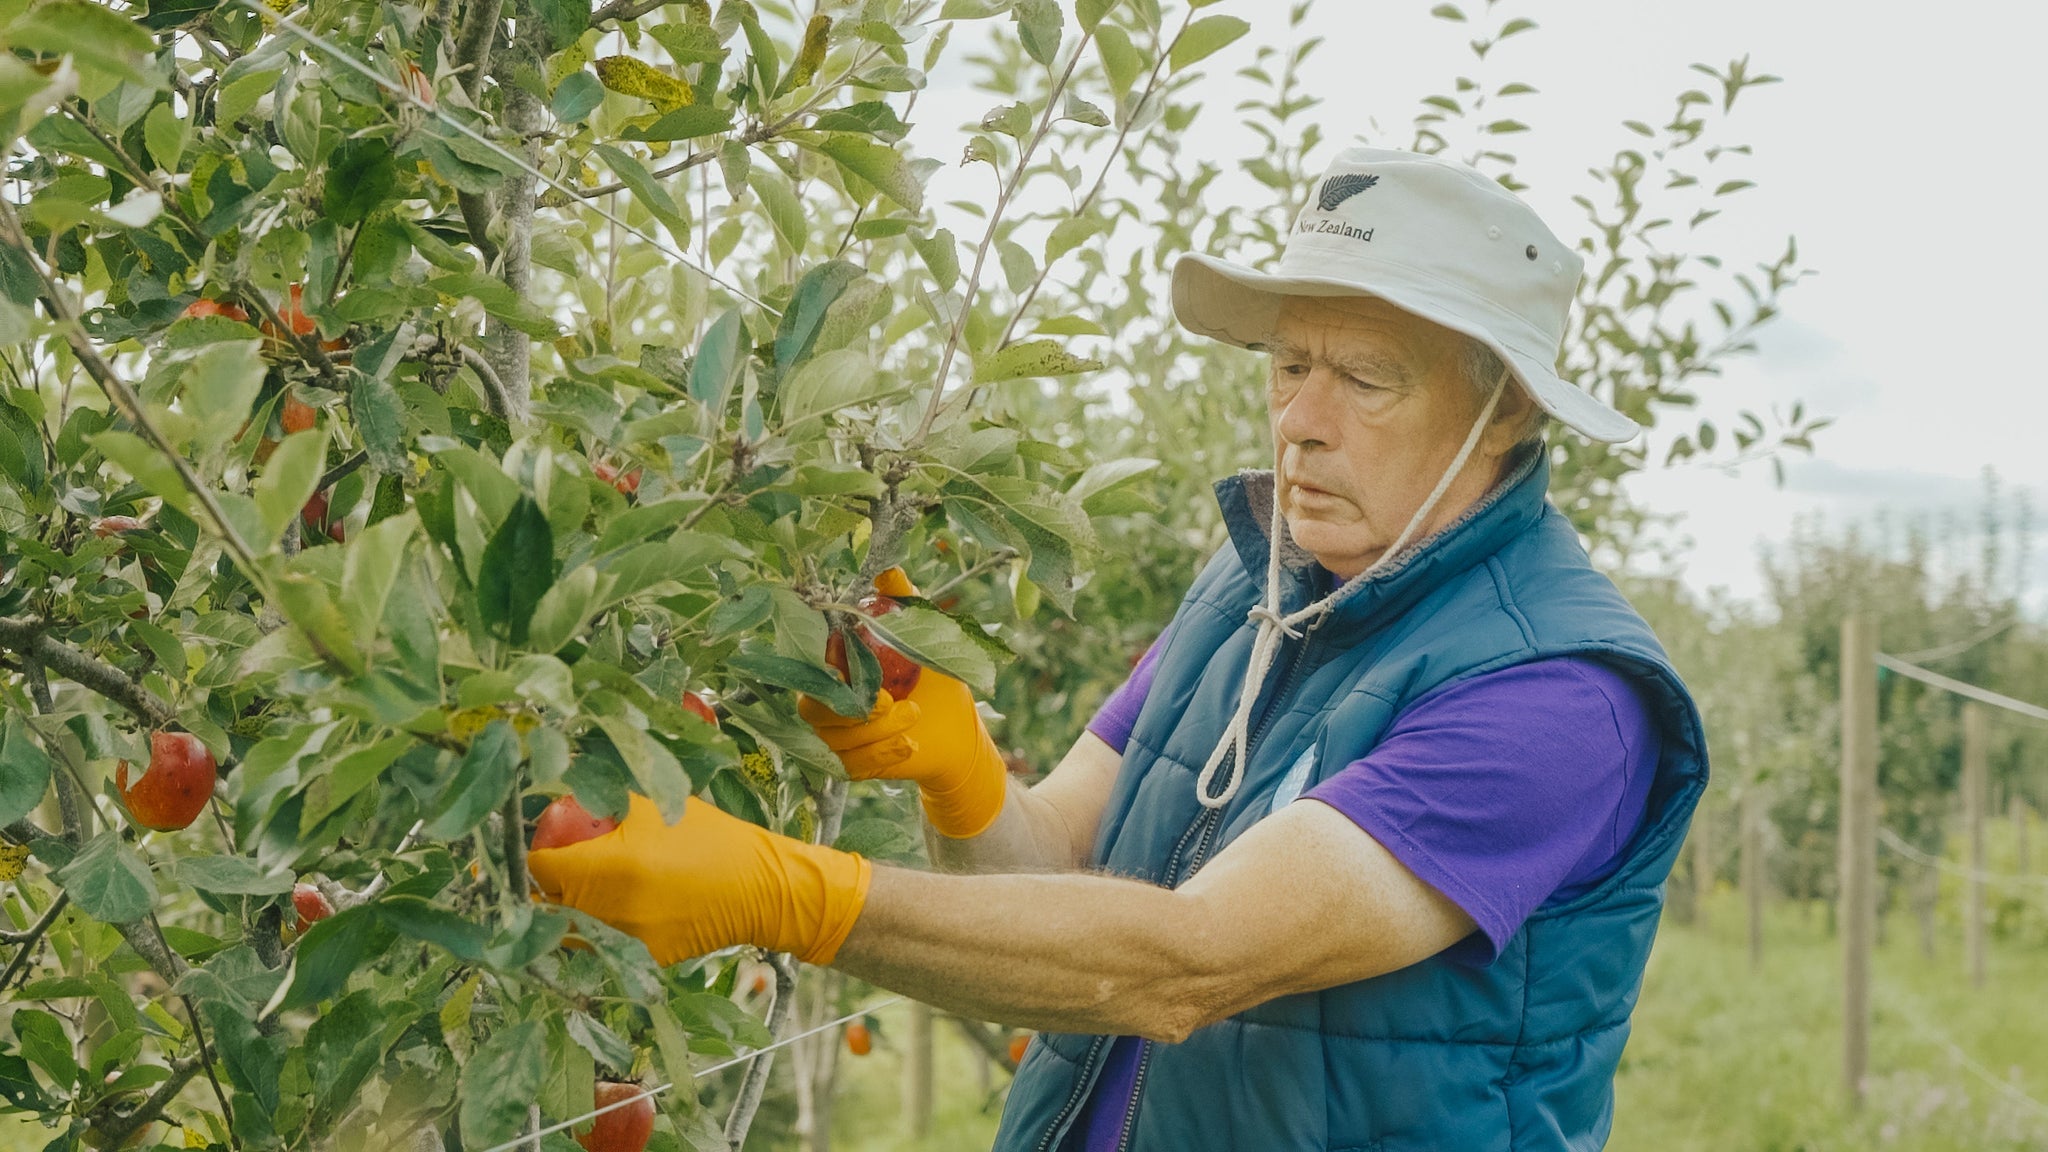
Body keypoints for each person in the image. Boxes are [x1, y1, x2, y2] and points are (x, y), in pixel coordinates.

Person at [528, 147, 1707, 1151]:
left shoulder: (1557, 696)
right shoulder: (1255, 588)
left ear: (1505, 409)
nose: (1301, 416)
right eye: (1290, 364)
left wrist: (789, 895)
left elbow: (1185, 964)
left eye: (1362, 378)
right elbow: (1048, 858)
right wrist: (962, 774)